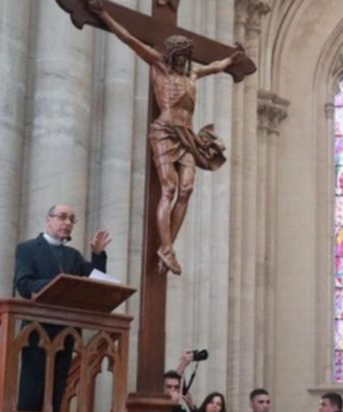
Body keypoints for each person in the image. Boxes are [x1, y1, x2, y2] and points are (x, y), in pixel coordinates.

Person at [89, 0, 244, 275]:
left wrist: (233, 59)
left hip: (187, 137)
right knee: (169, 189)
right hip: (164, 131)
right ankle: (167, 248)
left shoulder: (194, 73)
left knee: (186, 190)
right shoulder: (159, 66)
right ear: (172, 55)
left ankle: (167, 246)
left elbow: (217, 66)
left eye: (186, 56)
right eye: (180, 56)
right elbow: (129, 39)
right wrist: (103, 14)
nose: (184, 60)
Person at [14, 203, 111, 412]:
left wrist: (98, 256)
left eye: (71, 219)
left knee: (57, 394)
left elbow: (97, 281)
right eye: (62, 217)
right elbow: (24, 284)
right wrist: (59, 285)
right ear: (48, 220)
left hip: (66, 332)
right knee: (32, 393)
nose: (67, 223)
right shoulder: (28, 248)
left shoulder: (74, 256)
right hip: (37, 331)